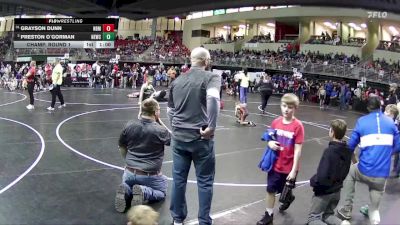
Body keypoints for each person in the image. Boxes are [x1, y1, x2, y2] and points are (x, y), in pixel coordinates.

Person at [169, 47, 221, 225]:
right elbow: (213, 98)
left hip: (179, 138)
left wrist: (174, 128)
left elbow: (170, 110)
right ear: (206, 61)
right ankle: (204, 221)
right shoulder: (211, 77)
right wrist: (212, 127)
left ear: (191, 60)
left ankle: (177, 219)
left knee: (178, 180)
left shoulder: (177, 81)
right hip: (200, 139)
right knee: (205, 182)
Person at [337, 96, 400, 225]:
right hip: (381, 175)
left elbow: (350, 146)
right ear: (381, 107)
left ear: (368, 108)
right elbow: (398, 145)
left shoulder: (362, 121)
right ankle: (374, 218)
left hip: (363, 170)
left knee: (350, 171)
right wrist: (388, 153)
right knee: (375, 209)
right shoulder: (391, 124)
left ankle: (346, 209)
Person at [115, 98, 171, 213]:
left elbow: (121, 146)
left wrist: (128, 162)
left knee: (128, 184)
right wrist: (159, 121)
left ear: (141, 110)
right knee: (161, 193)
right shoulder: (161, 131)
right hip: (149, 176)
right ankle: (143, 191)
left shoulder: (129, 125)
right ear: (156, 112)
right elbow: (171, 140)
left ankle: (126, 189)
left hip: (129, 173)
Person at [257, 93, 304, 225]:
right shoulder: (276, 122)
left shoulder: (298, 126)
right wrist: (269, 143)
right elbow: (269, 137)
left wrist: (294, 170)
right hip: (275, 165)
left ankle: (288, 197)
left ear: (295, 108)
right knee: (270, 189)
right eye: (284, 106)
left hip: (289, 167)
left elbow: (298, 149)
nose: (286, 109)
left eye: (290, 107)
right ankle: (268, 215)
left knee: (284, 192)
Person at [307, 119, 352, 225]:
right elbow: (346, 170)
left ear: (332, 132)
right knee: (328, 215)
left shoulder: (329, 151)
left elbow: (322, 175)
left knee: (313, 218)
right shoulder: (348, 150)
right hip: (337, 190)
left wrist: (314, 181)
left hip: (325, 191)